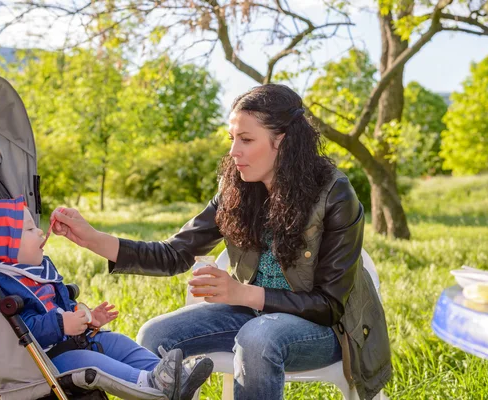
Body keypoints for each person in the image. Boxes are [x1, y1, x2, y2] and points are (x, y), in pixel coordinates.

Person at [50, 84, 391, 399]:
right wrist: (93, 239)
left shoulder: (334, 193)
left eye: (246, 139)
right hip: (250, 316)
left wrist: (242, 293)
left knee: (258, 338)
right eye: (231, 138)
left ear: (282, 142)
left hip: (327, 331)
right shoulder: (238, 189)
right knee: (155, 335)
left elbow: (328, 304)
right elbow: (174, 254)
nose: (234, 151)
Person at [0, 196, 213, 400]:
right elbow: (19, 330)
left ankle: (168, 372)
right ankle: (150, 383)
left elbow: (62, 306)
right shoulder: (4, 288)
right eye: (29, 229)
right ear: (3, 248)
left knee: (117, 342)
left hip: (75, 339)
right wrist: (62, 325)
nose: (41, 233)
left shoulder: (38, 274)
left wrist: (88, 317)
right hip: (49, 361)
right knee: (91, 363)